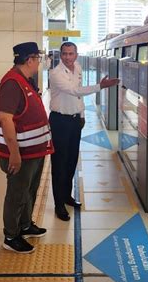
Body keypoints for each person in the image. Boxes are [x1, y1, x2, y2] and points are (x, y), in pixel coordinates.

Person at [0, 42, 53, 254]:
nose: (39, 62)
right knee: (17, 193)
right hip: (20, 154)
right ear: (30, 60)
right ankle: (11, 235)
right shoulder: (12, 84)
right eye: (38, 58)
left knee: (29, 190)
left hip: (33, 151)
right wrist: (14, 155)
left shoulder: (24, 80)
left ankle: (25, 225)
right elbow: (5, 119)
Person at [49, 41, 119, 221]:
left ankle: (66, 196)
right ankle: (59, 205)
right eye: (64, 54)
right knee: (59, 163)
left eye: (71, 54)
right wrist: (100, 87)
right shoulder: (56, 74)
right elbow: (74, 90)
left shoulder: (77, 68)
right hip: (60, 121)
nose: (68, 57)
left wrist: (81, 115)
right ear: (60, 55)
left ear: (76, 55)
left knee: (72, 160)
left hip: (74, 121)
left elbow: (78, 96)